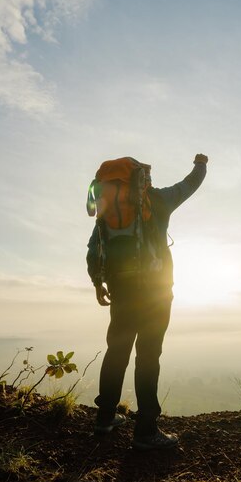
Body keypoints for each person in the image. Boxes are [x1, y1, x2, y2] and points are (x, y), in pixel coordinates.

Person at [86, 154, 208, 450]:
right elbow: (189, 185)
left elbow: (94, 249)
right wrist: (201, 165)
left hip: (121, 291)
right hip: (155, 294)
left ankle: (104, 418)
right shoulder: (157, 200)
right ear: (143, 180)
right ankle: (146, 431)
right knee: (148, 357)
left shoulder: (108, 209)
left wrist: (98, 284)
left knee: (117, 351)